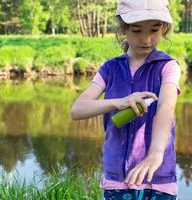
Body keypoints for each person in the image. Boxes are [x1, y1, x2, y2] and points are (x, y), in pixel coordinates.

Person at [70, 0, 181, 199]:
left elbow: (166, 105)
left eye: (154, 30)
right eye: (137, 30)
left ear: (163, 28)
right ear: (123, 28)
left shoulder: (168, 66)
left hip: (157, 178)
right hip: (117, 180)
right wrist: (118, 102)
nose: (146, 39)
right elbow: (77, 110)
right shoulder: (110, 69)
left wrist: (156, 153)